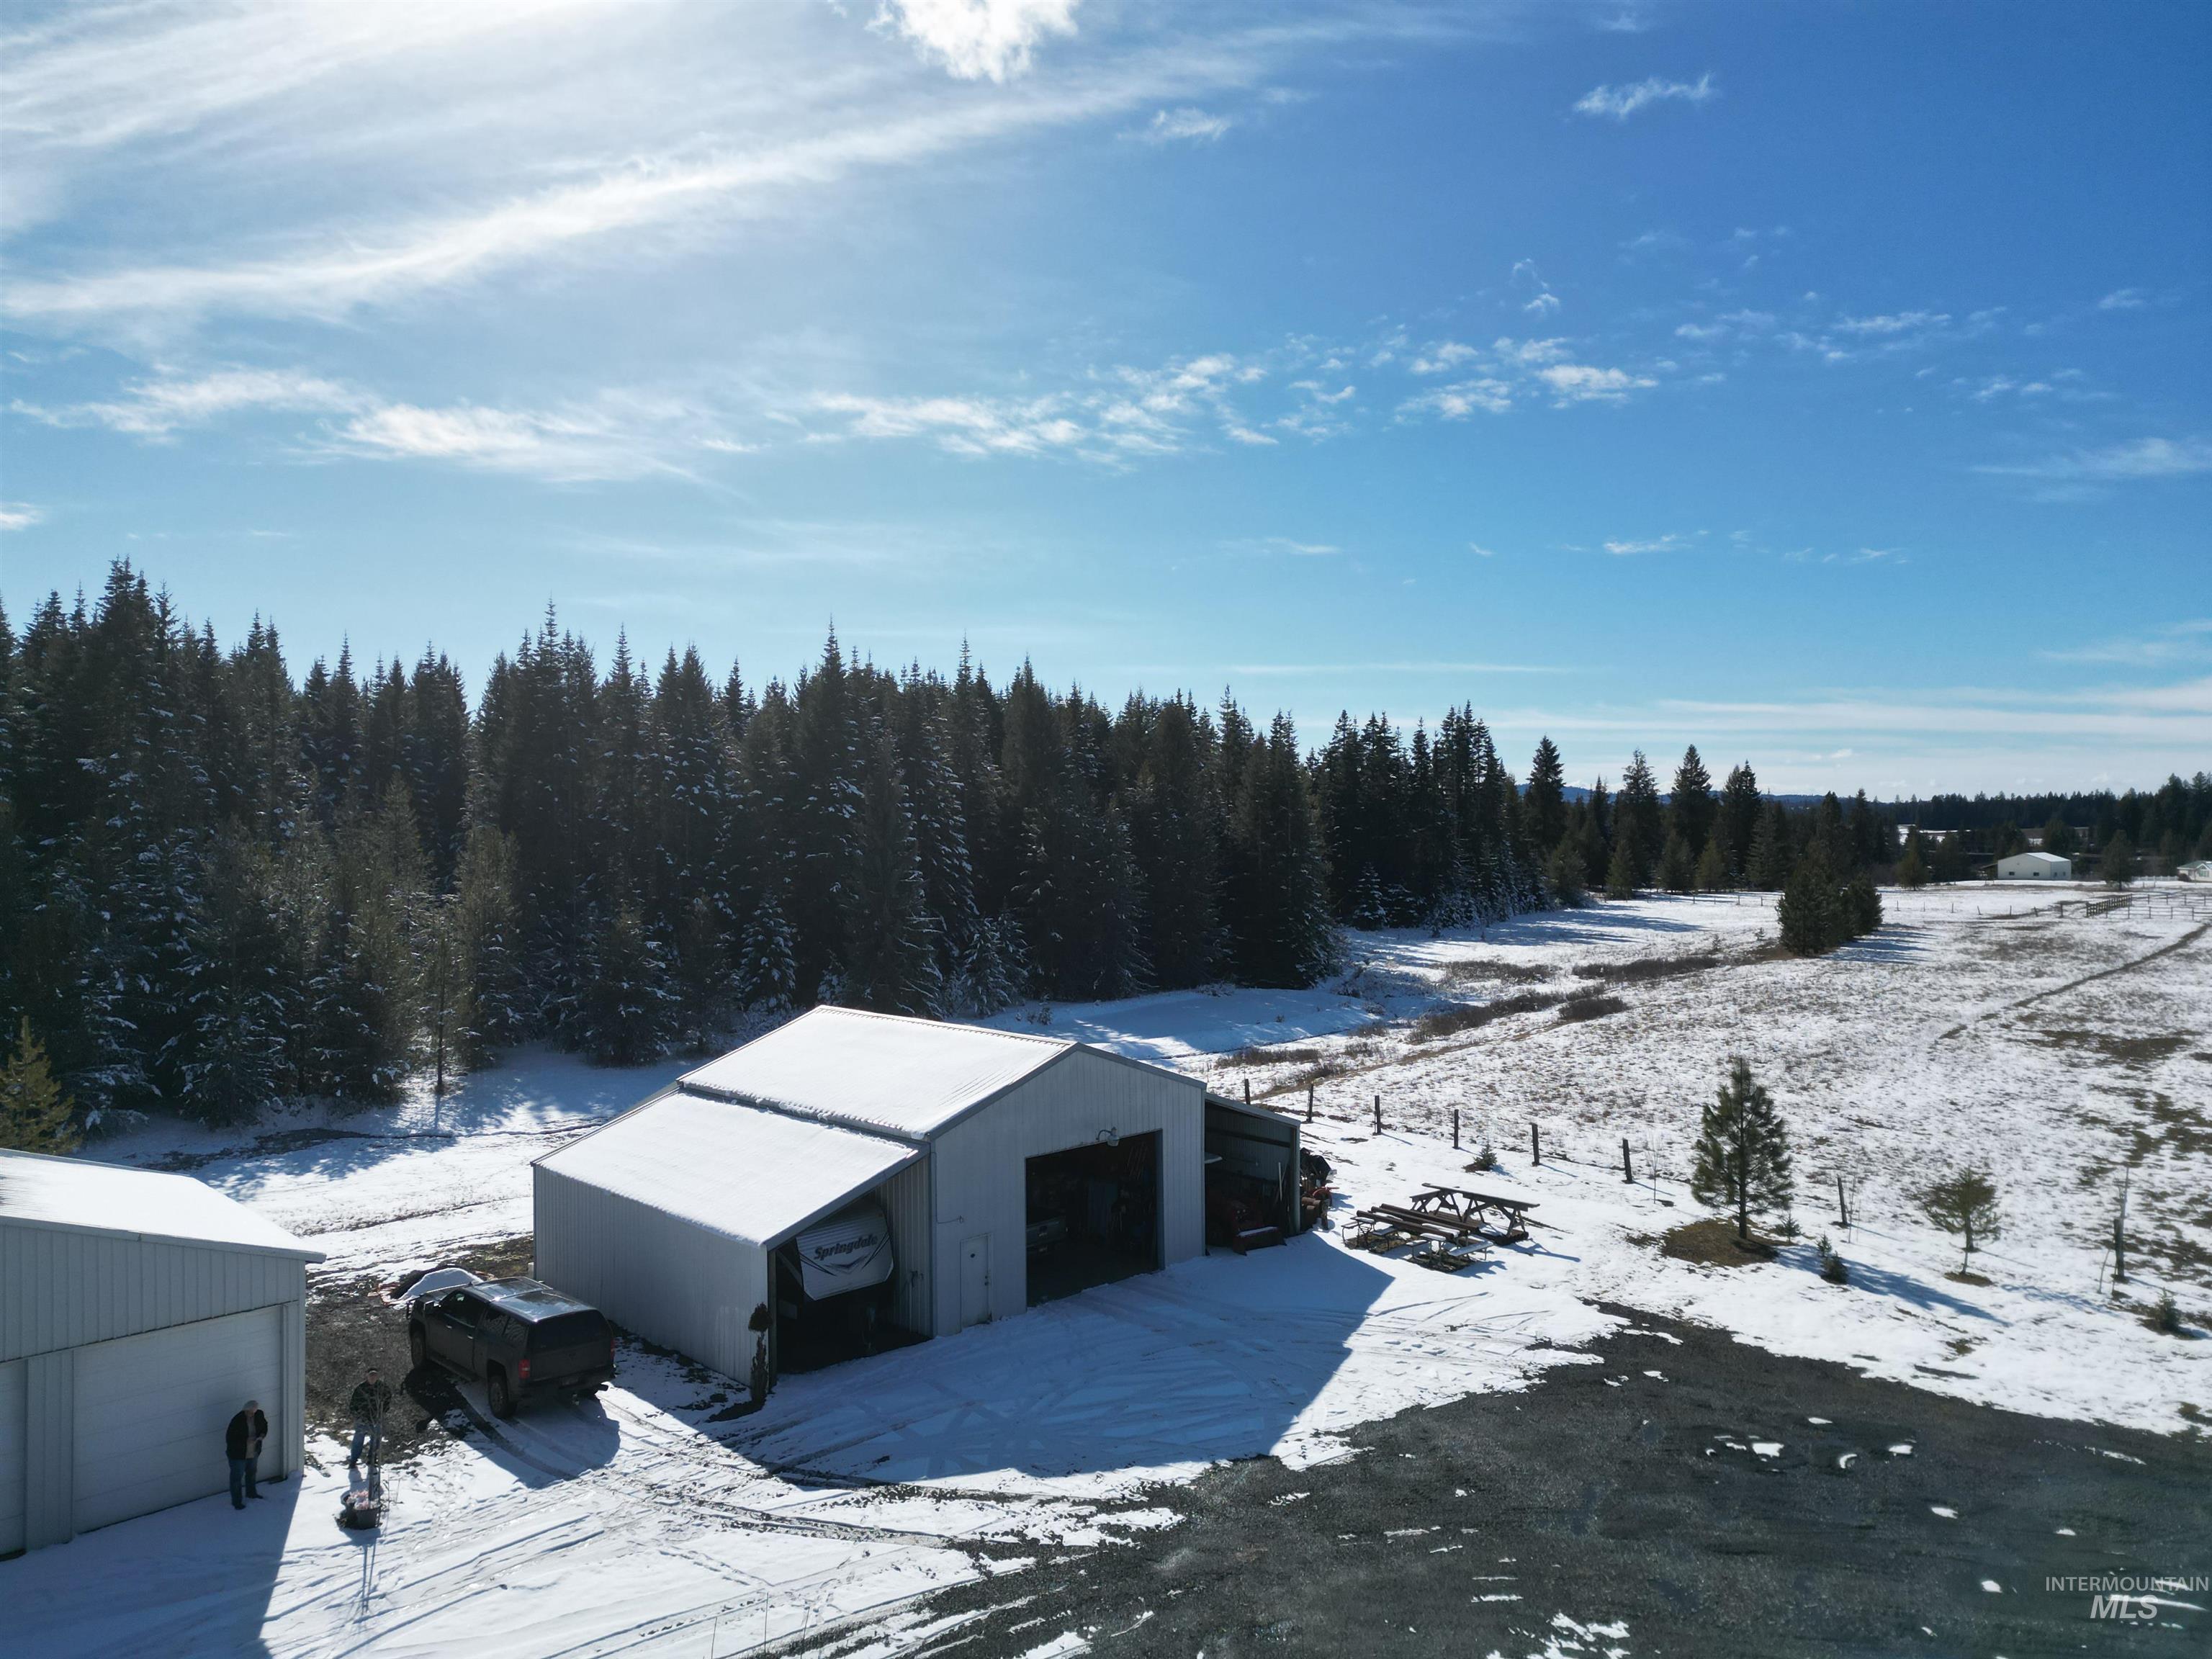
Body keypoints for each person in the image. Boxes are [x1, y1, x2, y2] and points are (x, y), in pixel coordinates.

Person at [225, 1400, 269, 1509]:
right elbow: (231, 1439)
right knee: (236, 1478)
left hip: (253, 1452)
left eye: (254, 1412)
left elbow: (264, 1426)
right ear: (245, 1410)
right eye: (250, 1412)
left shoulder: (259, 1415)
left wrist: (262, 1436)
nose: (252, 1414)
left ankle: (251, 1493)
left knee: (252, 1473)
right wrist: (245, 1442)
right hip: (238, 1454)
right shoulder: (237, 1420)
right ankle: (237, 1502)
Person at [347, 1367, 393, 1468]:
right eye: (371, 1375)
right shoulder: (360, 1388)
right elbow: (353, 1404)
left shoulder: (383, 1388)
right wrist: (358, 1415)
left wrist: (382, 1412)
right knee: (358, 1440)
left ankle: (372, 1460)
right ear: (367, 1376)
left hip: (376, 1419)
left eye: (375, 1375)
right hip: (362, 1419)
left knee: (376, 1441)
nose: (373, 1377)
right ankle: (353, 1461)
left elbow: (388, 1400)